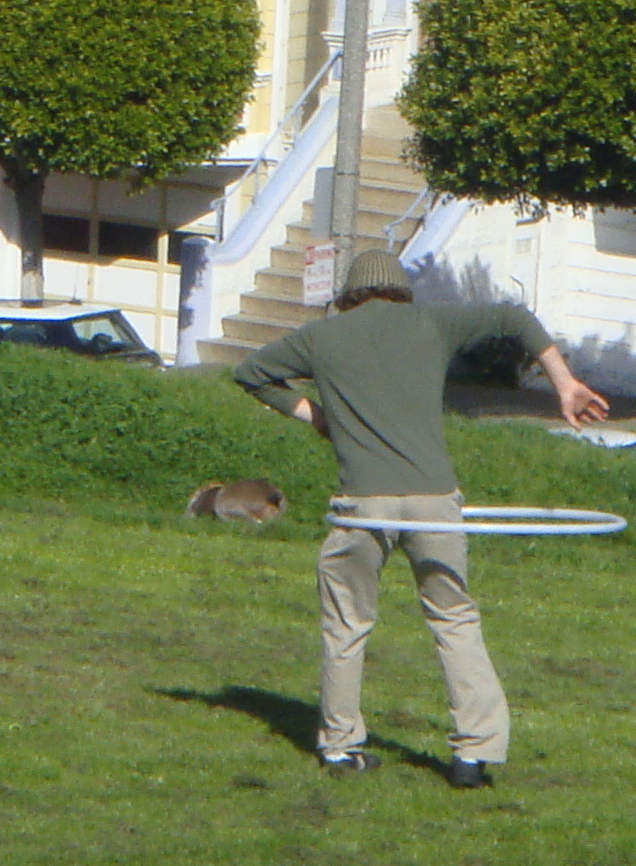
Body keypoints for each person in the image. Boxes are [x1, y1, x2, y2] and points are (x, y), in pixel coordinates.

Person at [232, 254, 609, 788]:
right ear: (399, 291)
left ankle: (340, 749)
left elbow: (250, 373)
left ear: (351, 295)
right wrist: (564, 384)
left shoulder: (322, 336)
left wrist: (320, 419)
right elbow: (514, 317)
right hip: (436, 501)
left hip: (363, 504)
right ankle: (473, 757)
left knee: (346, 624)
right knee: (454, 618)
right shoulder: (433, 322)